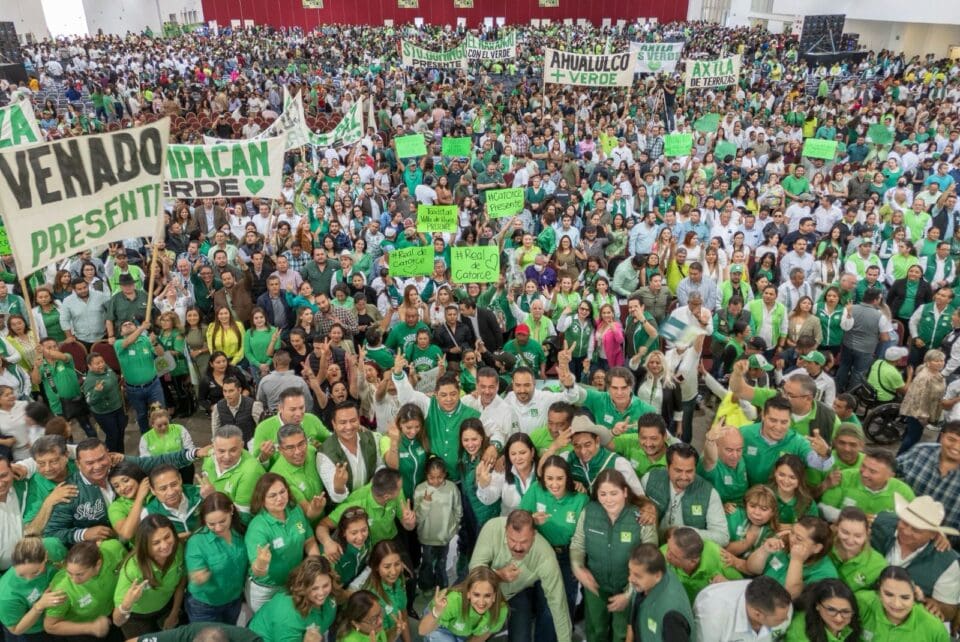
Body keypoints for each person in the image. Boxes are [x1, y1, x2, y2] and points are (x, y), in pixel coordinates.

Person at [570, 469, 657, 642]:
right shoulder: (589, 512)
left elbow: (650, 560)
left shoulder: (641, 517)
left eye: (613, 493)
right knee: (596, 631)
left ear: (624, 492)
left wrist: (629, 593)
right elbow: (578, 543)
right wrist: (578, 567)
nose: (608, 499)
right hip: (595, 584)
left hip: (628, 585)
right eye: (603, 494)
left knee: (622, 633)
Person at [470, 510, 572, 642]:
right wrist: (498, 575)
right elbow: (474, 570)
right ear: (505, 530)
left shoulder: (546, 557)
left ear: (534, 535)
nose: (518, 547)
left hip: (516, 594)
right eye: (512, 540)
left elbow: (558, 604)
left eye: (524, 541)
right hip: (481, 587)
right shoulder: (492, 527)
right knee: (461, 627)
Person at [869, 493, 960, 621]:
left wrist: (936, 606)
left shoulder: (947, 562)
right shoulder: (881, 522)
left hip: (905, 619)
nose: (906, 531)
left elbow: (949, 611)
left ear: (934, 534)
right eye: (904, 523)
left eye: (916, 530)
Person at [244, 473, 319, 613]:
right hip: (265, 590)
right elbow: (258, 571)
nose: (280, 498)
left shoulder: (296, 511)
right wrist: (261, 563)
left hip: (292, 583)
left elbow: (309, 541)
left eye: (282, 492)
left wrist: (316, 567)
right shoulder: (258, 527)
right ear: (262, 499)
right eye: (272, 495)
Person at [111, 514, 185, 638]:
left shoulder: (178, 550)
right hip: (137, 618)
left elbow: (181, 584)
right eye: (156, 542)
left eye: (167, 537)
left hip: (165, 607)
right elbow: (117, 621)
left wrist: (174, 613)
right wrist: (126, 605)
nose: (165, 546)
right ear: (145, 545)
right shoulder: (132, 570)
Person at [642, 443, 730, 546]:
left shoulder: (709, 493)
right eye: (678, 470)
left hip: (685, 552)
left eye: (689, 471)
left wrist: (685, 533)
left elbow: (723, 537)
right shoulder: (649, 479)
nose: (684, 477)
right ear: (667, 467)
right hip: (649, 548)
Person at [43, 539, 126, 641]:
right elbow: (50, 626)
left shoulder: (114, 549)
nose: (74, 580)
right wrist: (91, 627)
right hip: (80, 630)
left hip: (111, 617)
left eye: (80, 574)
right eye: (69, 573)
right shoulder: (61, 589)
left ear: (98, 565)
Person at [184, 492, 248, 625]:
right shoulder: (196, 542)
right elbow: (196, 571)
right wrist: (199, 578)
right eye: (211, 524)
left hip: (234, 599)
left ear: (231, 510)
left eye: (222, 521)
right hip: (205, 606)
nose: (218, 528)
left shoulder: (241, 529)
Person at [248, 557, 337, 642]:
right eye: (314, 588)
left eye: (326, 585)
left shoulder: (331, 594)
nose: (321, 593)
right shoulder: (288, 617)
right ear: (303, 587)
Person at [855, 566, 951, 641]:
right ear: (879, 592)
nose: (896, 604)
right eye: (889, 595)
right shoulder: (861, 603)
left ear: (914, 596)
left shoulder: (933, 627)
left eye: (905, 597)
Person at [417, 566, 508, 642]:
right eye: (476, 595)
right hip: (438, 623)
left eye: (487, 595)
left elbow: (482, 636)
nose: (481, 602)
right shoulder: (452, 601)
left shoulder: (500, 610)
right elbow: (422, 631)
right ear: (468, 593)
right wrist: (436, 613)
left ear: (494, 596)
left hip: (463, 631)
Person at [626, 544, 695, 642]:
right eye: (630, 572)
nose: (630, 579)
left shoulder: (671, 616)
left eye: (637, 575)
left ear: (657, 576)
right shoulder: (644, 583)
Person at [0, 536, 64, 640]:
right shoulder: (6, 596)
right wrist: (39, 605)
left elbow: (66, 563)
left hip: (57, 616)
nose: (29, 579)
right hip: (31, 631)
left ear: (45, 556)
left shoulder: (53, 546)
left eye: (36, 572)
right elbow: (15, 629)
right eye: (21, 575)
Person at [693, 576, 793, 642]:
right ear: (757, 614)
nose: (787, 619)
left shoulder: (782, 606)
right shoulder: (712, 619)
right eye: (779, 619)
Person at [414, 456, 462, 592]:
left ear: (445, 474)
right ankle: (425, 587)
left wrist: (454, 528)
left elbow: (458, 510)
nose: (436, 481)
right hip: (427, 538)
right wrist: (425, 503)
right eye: (432, 478)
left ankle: (442, 588)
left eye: (440, 477)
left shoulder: (451, 488)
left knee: (442, 563)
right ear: (426, 475)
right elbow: (417, 518)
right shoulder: (420, 489)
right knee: (427, 563)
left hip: (445, 538)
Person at [201, 425, 266, 517]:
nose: (227, 457)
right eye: (221, 451)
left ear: (242, 445)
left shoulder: (251, 472)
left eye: (233, 450)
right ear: (213, 447)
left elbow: (244, 517)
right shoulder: (208, 455)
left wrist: (213, 497)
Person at [828, 506, 888, 592]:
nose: (850, 540)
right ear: (836, 527)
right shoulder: (824, 547)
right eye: (845, 532)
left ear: (867, 534)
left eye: (858, 536)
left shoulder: (879, 565)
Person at [785, 578, 861, 642]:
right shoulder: (799, 634)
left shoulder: (851, 623)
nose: (839, 618)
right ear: (817, 605)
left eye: (845, 611)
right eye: (831, 610)